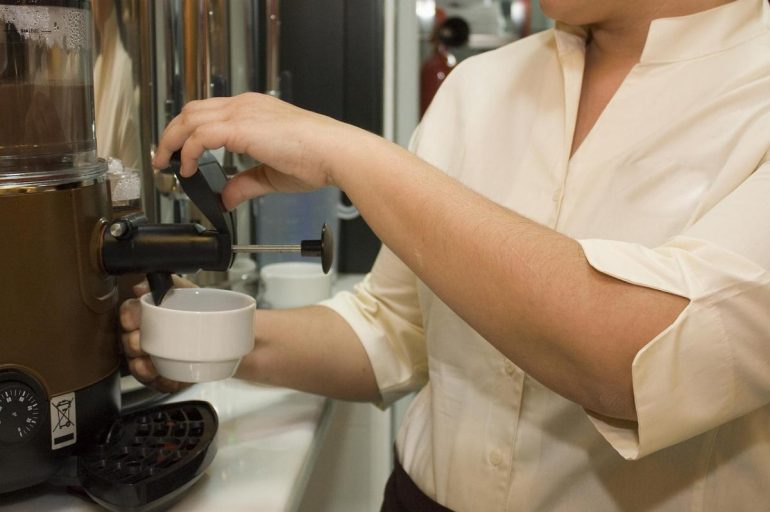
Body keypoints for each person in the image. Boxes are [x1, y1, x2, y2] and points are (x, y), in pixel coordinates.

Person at [121, 0, 770, 510]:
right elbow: (396, 327)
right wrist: (214, 340)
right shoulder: (480, 86)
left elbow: (632, 358)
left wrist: (353, 155)